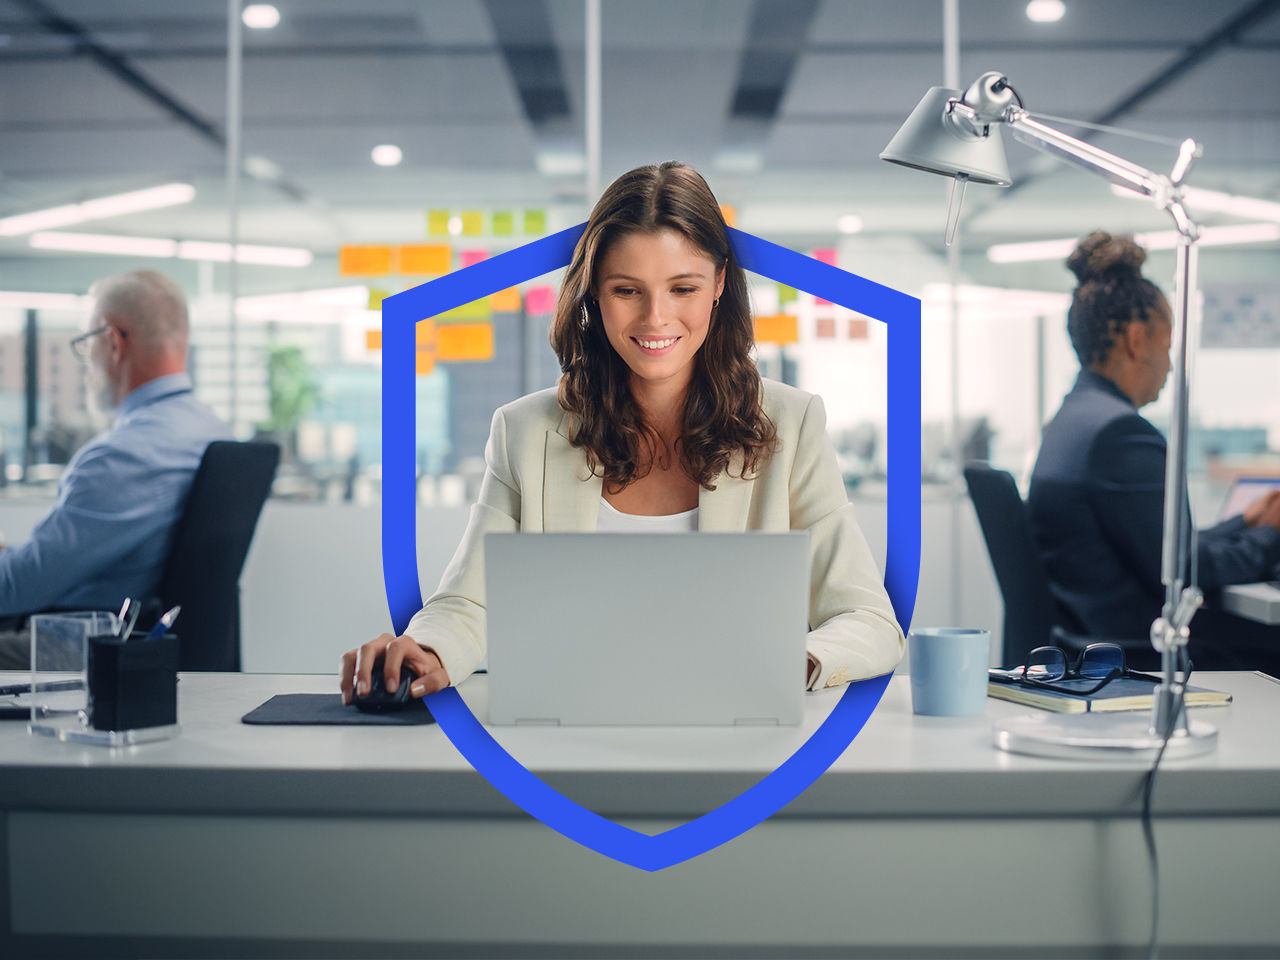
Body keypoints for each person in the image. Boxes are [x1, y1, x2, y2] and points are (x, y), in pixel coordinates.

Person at [341, 161, 904, 704]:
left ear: (718, 286)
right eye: (627, 290)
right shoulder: (525, 431)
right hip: (567, 728)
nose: (655, 318)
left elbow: (868, 620)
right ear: (592, 293)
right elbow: (470, 603)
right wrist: (427, 649)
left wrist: (795, 662)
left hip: (741, 728)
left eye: (682, 288)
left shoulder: (790, 423)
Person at [1028, 231, 1280, 670]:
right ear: (1137, 338)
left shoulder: (1073, 421)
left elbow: (1160, 547)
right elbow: (1182, 571)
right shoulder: (1120, 434)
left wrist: (1247, 521)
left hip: (1091, 638)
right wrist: (1272, 535)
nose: (1169, 363)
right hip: (1141, 649)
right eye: (1167, 345)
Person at [0, 270, 231, 666]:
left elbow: (18, 587)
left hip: (86, 645)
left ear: (111, 341)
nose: (86, 361)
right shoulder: (209, 430)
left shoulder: (121, 456)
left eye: (84, 343)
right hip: (142, 642)